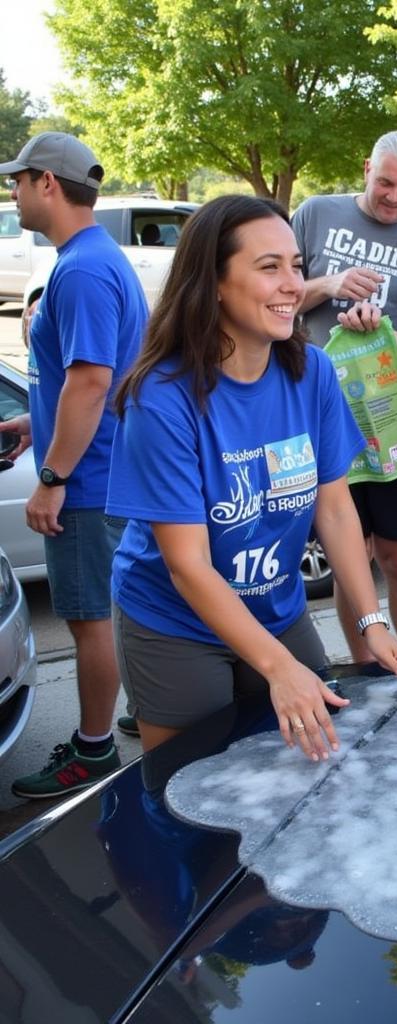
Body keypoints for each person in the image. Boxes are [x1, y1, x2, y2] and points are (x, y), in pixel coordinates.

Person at [106, 195, 397, 761]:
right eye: (268, 267)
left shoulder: (314, 370)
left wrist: (373, 621)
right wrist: (279, 668)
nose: (293, 284)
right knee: (190, 792)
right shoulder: (161, 398)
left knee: (310, 774)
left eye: (296, 265)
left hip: (278, 609)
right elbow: (188, 565)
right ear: (215, 282)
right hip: (174, 623)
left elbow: (336, 509)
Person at [0, 132, 148, 798]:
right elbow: (90, 379)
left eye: (19, 180)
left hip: (87, 481)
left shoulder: (82, 269)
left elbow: (92, 383)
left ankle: (92, 754)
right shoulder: (92, 259)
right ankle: (147, 711)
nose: (13, 192)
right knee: (114, 610)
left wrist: (53, 478)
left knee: (89, 618)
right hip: (100, 466)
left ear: (48, 184)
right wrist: (40, 418)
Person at [291, 131, 397, 663]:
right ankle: (366, 669)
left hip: (396, 419)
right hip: (321, 417)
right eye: (386, 182)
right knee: (349, 557)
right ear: (366, 168)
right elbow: (275, 295)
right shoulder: (315, 215)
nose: (395, 197)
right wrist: (329, 284)